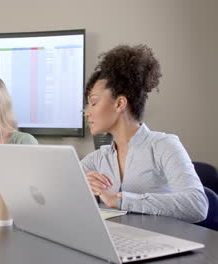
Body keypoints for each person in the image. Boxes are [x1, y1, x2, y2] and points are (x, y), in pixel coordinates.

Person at [82, 44, 208, 223]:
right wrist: (80, 187)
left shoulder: (163, 145)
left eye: (93, 103)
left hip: (165, 244)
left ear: (119, 104)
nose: (87, 112)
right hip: (120, 243)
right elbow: (55, 193)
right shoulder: (96, 160)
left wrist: (119, 200)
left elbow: (197, 205)